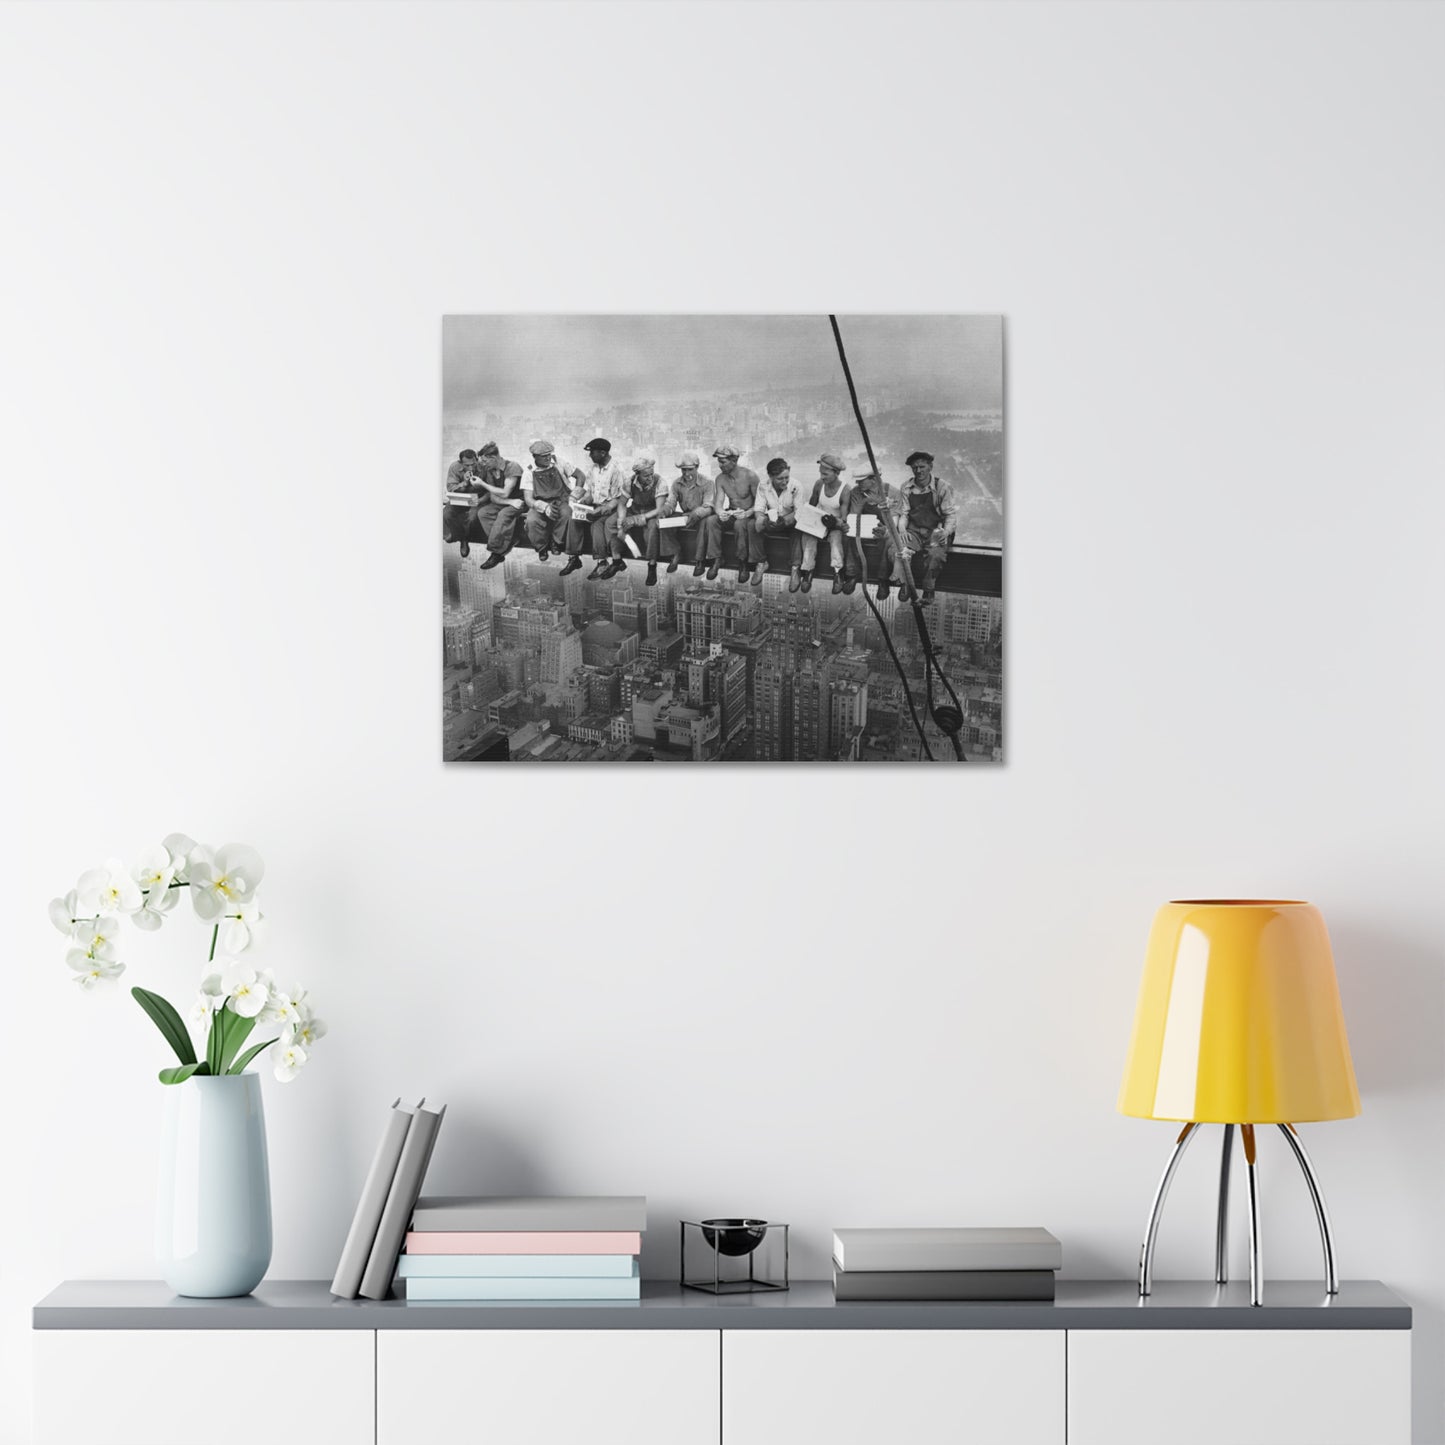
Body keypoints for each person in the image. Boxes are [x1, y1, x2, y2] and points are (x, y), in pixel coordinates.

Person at [876, 450, 958, 603]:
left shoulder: (942, 487)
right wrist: (902, 530)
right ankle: (903, 582)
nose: (918, 471)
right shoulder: (906, 487)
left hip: (936, 530)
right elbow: (905, 513)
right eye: (915, 468)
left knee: (935, 555)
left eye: (922, 467)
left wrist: (945, 532)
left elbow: (950, 515)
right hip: (915, 530)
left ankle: (928, 590)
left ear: (930, 467)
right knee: (897, 548)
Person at [795, 453, 861, 594]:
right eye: (820, 473)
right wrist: (806, 519)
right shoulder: (819, 484)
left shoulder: (845, 490)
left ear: (836, 473)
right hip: (820, 520)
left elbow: (843, 518)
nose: (822, 477)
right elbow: (812, 505)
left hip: (834, 524)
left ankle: (837, 572)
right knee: (808, 537)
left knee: (836, 539)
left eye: (825, 474)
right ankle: (808, 570)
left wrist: (835, 522)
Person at [607, 450, 668, 585]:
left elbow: (659, 509)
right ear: (637, 474)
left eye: (651, 474)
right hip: (635, 509)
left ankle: (652, 565)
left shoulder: (660, 482)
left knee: (652, 528)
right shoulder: (629, 482)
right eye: (646, 475)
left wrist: (635, 520)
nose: (650, 477)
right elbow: (622, 504)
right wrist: (621, 521)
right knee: (611, 523)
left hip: (651, 513)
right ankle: (616, 559)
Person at [573, 437, 630, 579]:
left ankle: (616, 560)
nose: (590, 455)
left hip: (616, 508)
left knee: (607, 525)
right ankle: (602, 561)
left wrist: (602, 509)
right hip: (598, 508)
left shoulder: (616, 470)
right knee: (595, 525)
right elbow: (591, 492)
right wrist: (584, 501)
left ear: (603, 453)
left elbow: (619, 498)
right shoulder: (593, 469)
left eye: (593, 452)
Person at [523, 440, 585, 566]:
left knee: (567, 514)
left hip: (561, 499)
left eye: (549, 454)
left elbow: (580, 476)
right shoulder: (529, 471)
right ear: (535, 457)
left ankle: (557, 542)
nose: (548, 458)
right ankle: (541, 548)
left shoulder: (559, 462)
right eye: (543, 456)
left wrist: (574, 496)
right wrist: (544, 507)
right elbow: (528, 499)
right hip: (541, 502)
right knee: (531, 520)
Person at [665, 450, 723, 579]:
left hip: (702, 515)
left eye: (690, 470)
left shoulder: (707, 482)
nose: (686, 473)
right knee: (667, 521)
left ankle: (700, 561)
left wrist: (697, 513)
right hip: (686, 515)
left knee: (704, 523)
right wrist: (664, 511)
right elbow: (671, 502)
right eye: (683, 470)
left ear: (697, 467)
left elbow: (709, 505)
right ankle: (675, 553)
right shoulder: (677, 483)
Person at [711, 444, 763, 583]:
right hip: (732, 512)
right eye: (719, 462)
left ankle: (742, 563)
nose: (720, 465)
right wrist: (721, 512)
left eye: (723, 462)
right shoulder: (720, 479)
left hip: (749, 514)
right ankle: (716, 558)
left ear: (734, 461)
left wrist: (747, 513)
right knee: (712, 521)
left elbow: (760, 503)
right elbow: (718, 503)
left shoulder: (750, 476)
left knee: (740, 525)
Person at [470, 442, 526, 570]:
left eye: (485, 461)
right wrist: (509, 502)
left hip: (520, 502)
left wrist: (482, 484)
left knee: (504, 514)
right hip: (507, 502)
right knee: (483, 513)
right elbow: (493, 496)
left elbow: (505, 492)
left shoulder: (512, 467)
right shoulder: (490, 470)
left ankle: (496, 553)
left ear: (493, 458)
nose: (483, 464)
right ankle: (508, 541)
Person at [752, 457, 798, 588]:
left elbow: (799, 511)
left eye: (786, 478)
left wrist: (784, 521)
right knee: (753, 525)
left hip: (790, 520)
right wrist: (762, 520)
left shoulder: (796, 486)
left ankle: (795, 568)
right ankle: (761, 563)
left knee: (798, 529)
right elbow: (759, 509)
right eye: (780, 479)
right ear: (771, 477)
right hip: (772, 520)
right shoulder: (763, 486)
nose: (784, 482)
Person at [444, 448, 481, 559]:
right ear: (461, 463)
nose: (470, 468)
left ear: (477, 460)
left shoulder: (482, 466)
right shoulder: (454, 467)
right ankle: (460, 537)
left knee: (472, 518)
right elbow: (451, 489)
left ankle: (464, 539)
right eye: (467, 465)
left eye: (473, 464)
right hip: (459, 498)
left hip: (477, 499)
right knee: (446, 514)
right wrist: (464, 483)